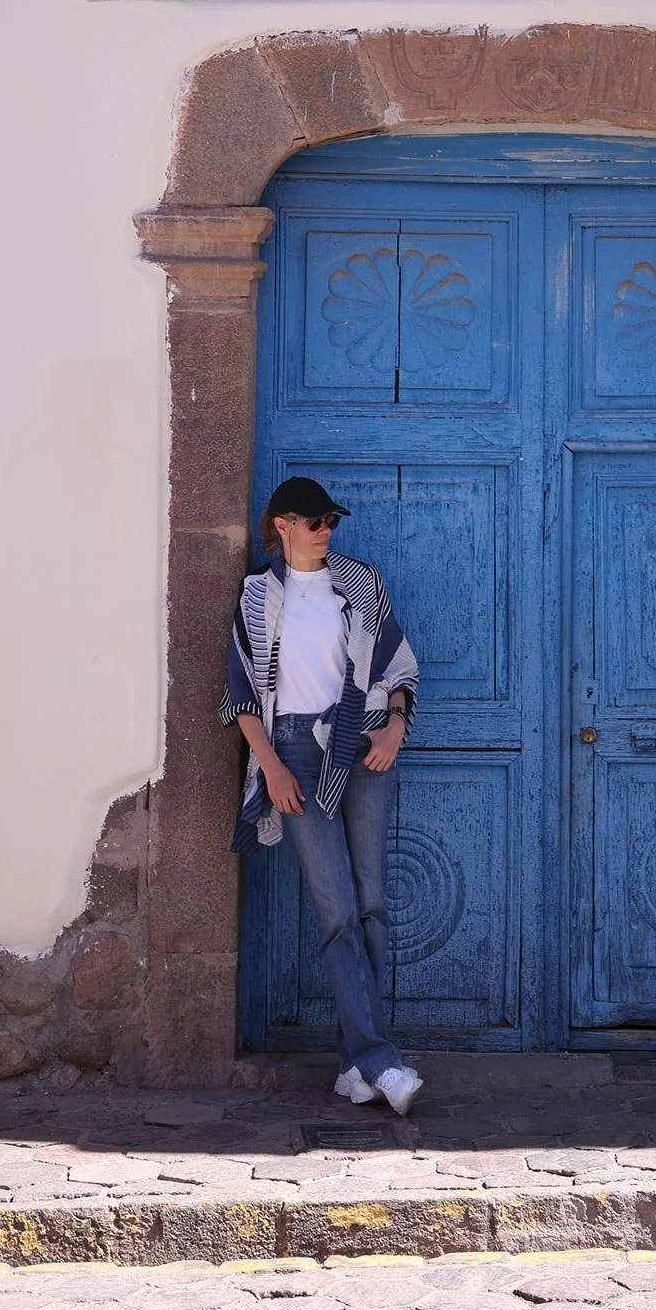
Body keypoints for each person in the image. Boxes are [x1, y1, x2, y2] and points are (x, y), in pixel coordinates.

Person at [221, 475, 423, 1114]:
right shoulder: (257, 596)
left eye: (331, 520)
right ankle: (382, 1062)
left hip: (363, 747)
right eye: (314, 522)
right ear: (281, 525)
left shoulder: (360, 584)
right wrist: (272, 768)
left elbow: (398, 666)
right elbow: (241, 695)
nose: (326, 530)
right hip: (296, 757)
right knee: (336, 908)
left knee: (372, 905)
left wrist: (395, 728)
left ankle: (355, 1066)